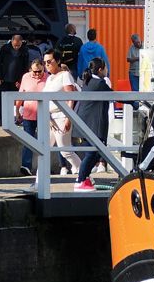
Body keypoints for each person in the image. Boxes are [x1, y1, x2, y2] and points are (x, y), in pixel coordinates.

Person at [74, 57, 111, 191]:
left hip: (85, 123)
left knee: (93, 153)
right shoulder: (99, 83)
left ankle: (85, 178)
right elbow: (113, 95)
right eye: (105, 68)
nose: (107, 70)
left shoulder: (88, 81)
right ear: (100, 69)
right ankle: (80, 180)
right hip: (92, 125)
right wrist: (133, 101)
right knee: (91, 154)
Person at [43, 49, 82, 175]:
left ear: (58, 61)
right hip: (49, 117)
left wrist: (68, 118)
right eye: (45, 62)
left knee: (65, 150)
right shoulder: (49, 79)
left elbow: (71, 98)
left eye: (49, 61)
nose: (47, 64)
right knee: (43, 149)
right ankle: (39, 180)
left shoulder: (65, 75)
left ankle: (83, 173)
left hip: (61, 115)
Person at [14, 54, 46, 174]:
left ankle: (43, 167)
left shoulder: (49, 78)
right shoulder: (26, 77)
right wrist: (17, 111)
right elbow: (21, 94)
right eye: (35, 72)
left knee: (45, 142)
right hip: (28, 113)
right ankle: (26, 166)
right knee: (28, 140)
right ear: (30, 70)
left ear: (43, 68)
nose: (37, 74)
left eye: (39, 72)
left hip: (44, 115)